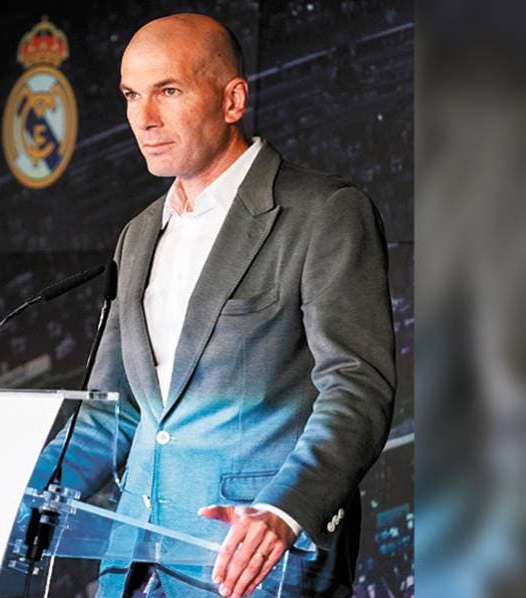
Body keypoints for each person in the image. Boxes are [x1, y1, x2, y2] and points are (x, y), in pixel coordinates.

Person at [29, 13, 395, 598]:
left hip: (253, 564)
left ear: (232, 100)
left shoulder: (324, 212)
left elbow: (357, 386)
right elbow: (114, 412)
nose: (144, 118)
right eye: (131, 95)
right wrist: (19, 494)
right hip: (133, 566)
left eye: (168, 91)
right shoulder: (138, 234)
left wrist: (284, 510)